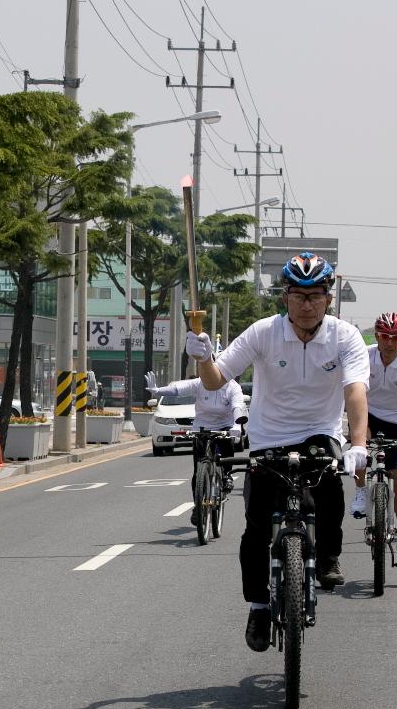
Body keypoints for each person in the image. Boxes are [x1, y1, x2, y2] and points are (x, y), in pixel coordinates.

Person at [186, 252, 369, 652]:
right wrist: (203, 357)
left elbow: (355, 391)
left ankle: (327, 558)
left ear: (328, 298)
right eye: (299, 295)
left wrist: (357, 444)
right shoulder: (262, 333)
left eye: (315, 295)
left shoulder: (346, 337)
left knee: (328, 490)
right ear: (285, 297)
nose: (307, 304)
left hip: (319, 431)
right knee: (255, 526)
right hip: (268, 436)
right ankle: (257, 605)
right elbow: (217, 380)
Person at [348, 312, 397, 567]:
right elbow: (351, 386)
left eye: (396, 338)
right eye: (384, 336)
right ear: (377, 335)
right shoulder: (365, 355)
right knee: (360, 446)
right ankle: (361, 492)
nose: (389, 342)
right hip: (368, 414)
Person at [143, 370, 247, 506]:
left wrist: (237, 425)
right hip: (201, 426)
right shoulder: (199, 383)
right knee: (198, 470)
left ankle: (226, 475)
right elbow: (177, 389)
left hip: (225, 425)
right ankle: (197, 506)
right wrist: (157, 390)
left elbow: (237, 406)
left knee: (226, 445)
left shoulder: (232, 387)